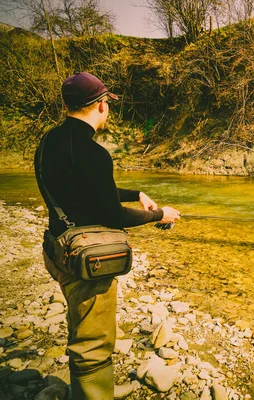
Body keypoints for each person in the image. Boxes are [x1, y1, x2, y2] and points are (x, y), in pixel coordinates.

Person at [33, 72, 180, 399]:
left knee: (81, 327)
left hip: (56, 249)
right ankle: (95, 394)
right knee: (94, 341)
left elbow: (86, 190)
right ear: (100, 105)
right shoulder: (93, 153)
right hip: (85, 261)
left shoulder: (49, 142)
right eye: (107, 104)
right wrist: (159, 214)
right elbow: (111, 214)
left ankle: (95, 388)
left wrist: (136, 192)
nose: (107, 109)